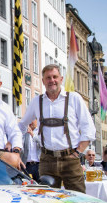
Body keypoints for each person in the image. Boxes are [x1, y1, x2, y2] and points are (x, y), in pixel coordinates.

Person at [18, 64, 96, 193]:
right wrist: (13, 145)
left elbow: (88, 128)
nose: (52, 80)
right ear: (43, 81)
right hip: (46, 160)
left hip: (70, 158)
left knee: (78, 200)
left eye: (55, 77)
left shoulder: (74, 98)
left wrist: (78, 152)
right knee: (47, 200)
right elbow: (21, 125)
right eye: (48, 78)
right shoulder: (37, 101)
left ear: (61, 79)